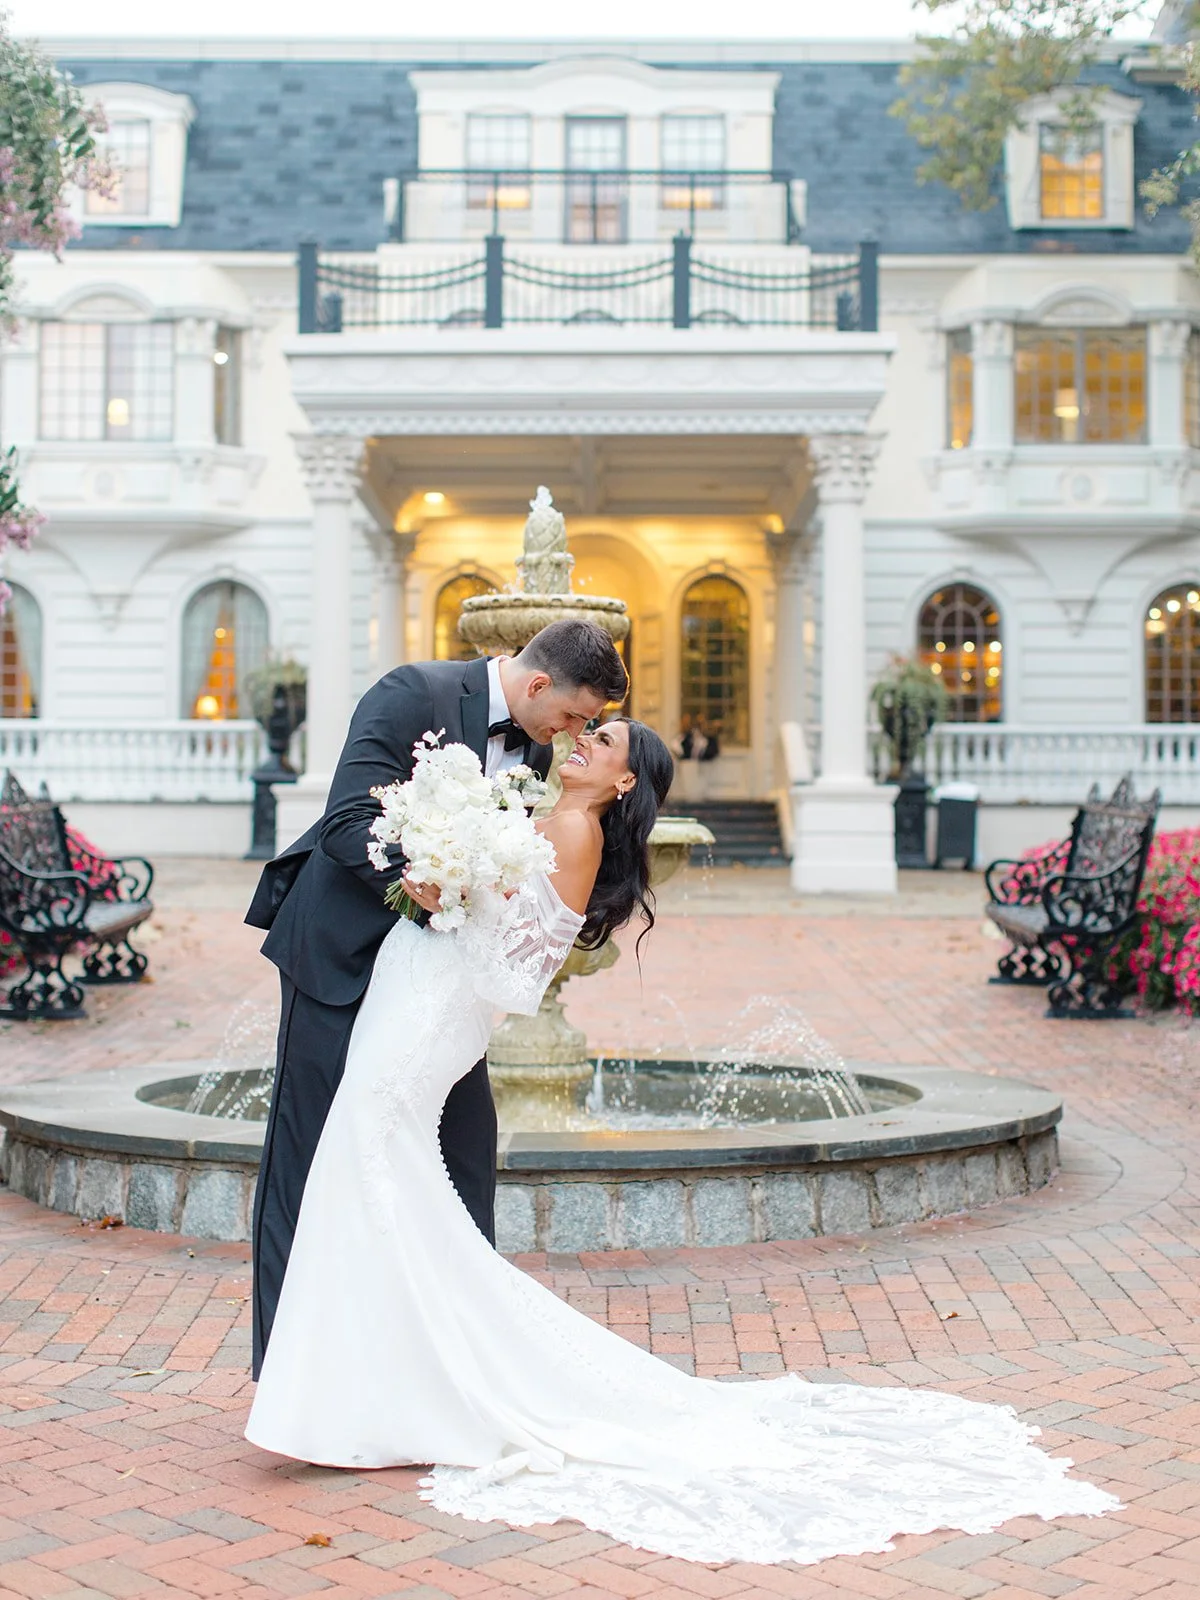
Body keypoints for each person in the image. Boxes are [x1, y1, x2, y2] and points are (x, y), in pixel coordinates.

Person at [244, 716, 1115, 1565]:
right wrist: (443, 875)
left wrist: (456, 892)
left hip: (433, 1013)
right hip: (410, 991)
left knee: (376, 1161)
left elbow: (517, 975)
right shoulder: (538, 812)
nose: (582, 741)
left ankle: (381, 1395)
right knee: (379, 1173)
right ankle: (376, 1385)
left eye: (604, 742)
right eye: (588, 731)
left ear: (623, 782)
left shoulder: (574, 829)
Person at [244, 618, 628, 1380]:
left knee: (461, 1152)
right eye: (577, 715)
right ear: (540, 684)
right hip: (339, 955)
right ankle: (285, 1367)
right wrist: (410, 870)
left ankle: (454, 1356)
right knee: (310, 1150)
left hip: (427, 983)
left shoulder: (536, 746)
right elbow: (347, 820)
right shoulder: (408, 692)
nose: (575, 733)